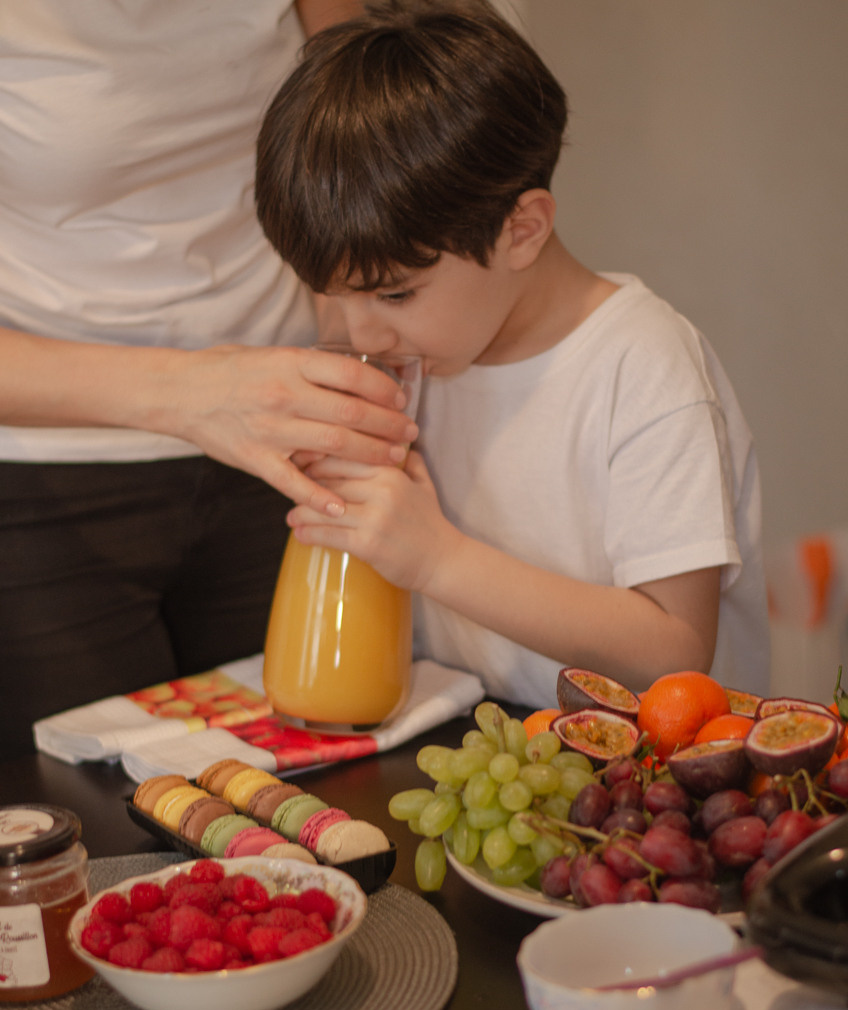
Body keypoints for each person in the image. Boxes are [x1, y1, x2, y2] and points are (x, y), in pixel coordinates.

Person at [254, 0, 771, 710]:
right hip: (481, 752)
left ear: (522, 230)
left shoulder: (641, 365)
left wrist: (436, 557)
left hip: (647, 789)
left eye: (395, 295)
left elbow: (676, 650)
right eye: (334, 298)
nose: (363, 336)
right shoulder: (426, 350)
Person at [0, 0, 418, 758]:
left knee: (313, 790)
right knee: (101, 818)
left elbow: (353, 151)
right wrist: (195, 393)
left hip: (283, 442)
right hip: (46, 489)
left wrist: (349, 338)